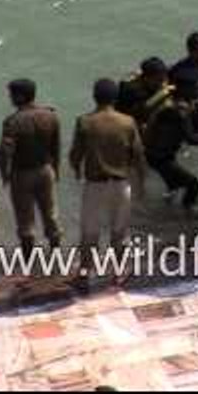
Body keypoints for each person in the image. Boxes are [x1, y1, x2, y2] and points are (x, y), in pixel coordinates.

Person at [70, 79, 146, 283]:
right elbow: (138, 154)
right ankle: (119, 272)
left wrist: (76, 171)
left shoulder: (84, 122)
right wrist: (141, 180)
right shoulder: (128, 122)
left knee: (89, 232)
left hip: (95, 184)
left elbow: (75, 154)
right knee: (119, 232)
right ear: (115, 98)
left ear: (95, 97)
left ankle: (86, 272)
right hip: (121, 183)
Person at [0, 79, 64, 256]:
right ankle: (56, 253)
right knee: (50, 214)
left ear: (20, 96)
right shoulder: (50, 116)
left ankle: (28, 258)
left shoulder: (13, 121)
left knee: (25, 220)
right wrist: (55, 168)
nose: (10, 98)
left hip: (22, 174)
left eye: (12, 94)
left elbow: (5, 152)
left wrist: (5, 174)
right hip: (45, 170)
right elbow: (56, 146)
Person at [143, 68, 198, 216]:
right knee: (194, 185)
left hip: (155, 153)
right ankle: (188, 212)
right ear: (185, 89)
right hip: (160, 157)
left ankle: (165, 210)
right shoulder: (180, 111)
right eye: (196, 85)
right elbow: (192, 139)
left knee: (174, 184)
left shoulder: (170, 102)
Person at [117, 57, 172, 131]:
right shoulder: (132, 91)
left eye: (163, 79)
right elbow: (141, 110)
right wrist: (160, 95)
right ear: (146, 78)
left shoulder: (155, 80)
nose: (161, 84)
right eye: (158, 80)